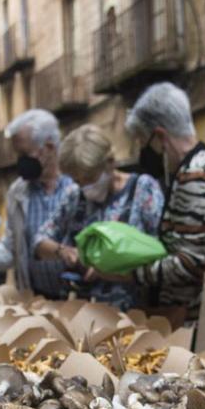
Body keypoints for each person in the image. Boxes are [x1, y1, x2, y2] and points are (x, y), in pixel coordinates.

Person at [124, 82, 205, 324]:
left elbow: (188, 264)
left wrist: (125, 274)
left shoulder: (196, 174)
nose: (143, 152)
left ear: (160, 136)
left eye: (142, 142)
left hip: (198, 316)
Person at [33, 124, 165, 311]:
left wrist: (110, 269)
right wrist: (63, 251)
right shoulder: (74, 196)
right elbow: (39, 242)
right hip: (81, 311)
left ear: (109, 163)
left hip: (132, 313)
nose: (84, 186)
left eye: (89, 178)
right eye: (77, 180)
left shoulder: (143, 189)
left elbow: (163, 254)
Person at [0, 109, 79, 299]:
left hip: (81, 298)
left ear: (48, 147)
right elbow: (12, 249)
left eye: (24, 153)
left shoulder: (78, 183)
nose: (20, 161)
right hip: (38, 299)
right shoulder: (17, 192)